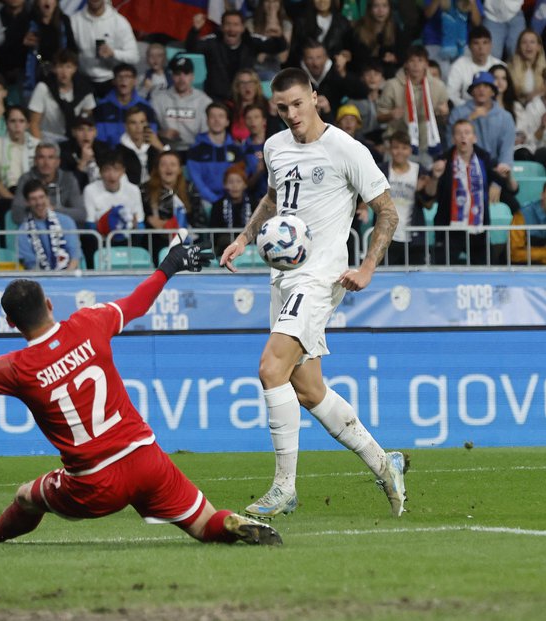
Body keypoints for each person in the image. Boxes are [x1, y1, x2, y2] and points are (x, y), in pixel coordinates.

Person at [0, 242, 285, 547]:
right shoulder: (91, 321)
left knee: (26, 496)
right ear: (50, 305)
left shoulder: (16, 368)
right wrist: (169, 265)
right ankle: (236, 523)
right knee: (203, 524)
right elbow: (138, 303)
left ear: (10, 323)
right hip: (146, 456)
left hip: (94, 481)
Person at [219, 67, 408, 520]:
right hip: (283, 280)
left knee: (270, 368)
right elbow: (272, 199)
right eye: (281, 108)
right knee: (308, 390)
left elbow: (387, 211)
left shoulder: (346, 148)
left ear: (315, 98)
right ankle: (386, 464)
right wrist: (245, 238)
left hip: (321, 278)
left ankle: (284, 488)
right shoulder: (275, 147)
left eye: (298, 104)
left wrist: (366, 266)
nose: (291, 114)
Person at [428, 119, 519, 265]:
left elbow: (513, 189)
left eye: (467, 133)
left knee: (488, 271)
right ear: (453, 139)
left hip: (478, 229)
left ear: (474, 138)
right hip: (449, 229)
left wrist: (508, 176)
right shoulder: (443, 161)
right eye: (459, 133)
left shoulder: (485, 160)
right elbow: (428, 195)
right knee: (441, 273)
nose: (463, 137)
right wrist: (434, 177)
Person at [186, 10, 287, 103]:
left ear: (242, 28)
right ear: (221, 27)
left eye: (236, 25)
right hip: (217, 98)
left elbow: (277, 47)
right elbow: (192, 48)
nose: (231, 29)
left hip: (244, 98)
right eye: (228, 24)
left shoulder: (250, 41)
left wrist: (279, 37)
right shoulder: (212, 41)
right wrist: (195, 30)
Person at [377, 46, 450, 168]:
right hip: (396, 146)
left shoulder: (439, 86)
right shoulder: (392, 85)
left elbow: (445, 121)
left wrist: (444, 114)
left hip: (425, 146)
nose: (416, 65)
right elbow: (379, 117)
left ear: (426, 64)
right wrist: (391, 115)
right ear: (406, 64)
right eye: (412, 61)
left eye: (420, 61)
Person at [376, 131, 429, 266]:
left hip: (413, 236)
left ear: (410, 150)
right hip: (386, 236)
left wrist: (427, 184)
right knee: (385, 279)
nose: (399, 152)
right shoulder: (381, 170)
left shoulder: (419, 170)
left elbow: (429, 202)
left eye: (404, 148)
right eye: (395, 147)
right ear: (389, 149)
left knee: (417, 280)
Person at [141, 150, 203, 263]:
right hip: (157, 242)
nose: (168, 168)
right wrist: (149, 220)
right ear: (158, 169)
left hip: (188, 239)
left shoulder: (190, 189)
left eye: (173, 164)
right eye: (163, 164)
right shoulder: (145, 190)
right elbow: (141, 217)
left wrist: (178, 226)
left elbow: (199, 219)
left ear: (179, 169)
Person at [0, 105, 38, 225]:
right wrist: (14, 200)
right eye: (13, 121)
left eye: (21, 121)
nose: (17, 125)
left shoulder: (37, 145)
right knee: (5, 207)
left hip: (33, 193)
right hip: (6, 195)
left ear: (28, 124)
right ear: (6, 123)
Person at [70, 0, 140, 97]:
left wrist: (113, 53)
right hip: (83, 81)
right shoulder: (74, 21)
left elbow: (134, 57)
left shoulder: (119, 22)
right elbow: (68, 54)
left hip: (112, 82)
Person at [83, 150, 143, 261]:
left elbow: (141, 226)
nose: (112, 175)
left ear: (123, 171)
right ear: (100, 172)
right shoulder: (90, 190)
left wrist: (135, 226)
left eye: (116, 169)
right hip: (102, 241)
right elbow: (90, 226)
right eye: (107, 170)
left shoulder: (133, 190)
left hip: (128, 240)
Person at [10, 142, 86, 227]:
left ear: (58, 162)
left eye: (51, 157)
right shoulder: (26, 179)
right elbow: (17, 214)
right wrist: (40, 218)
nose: (46, 162)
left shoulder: (68, 179)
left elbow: (81, 215)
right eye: (41, 157)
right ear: (35, 161)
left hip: (63, 229)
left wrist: (53, 210)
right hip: (34, 230)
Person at [27, 49, 95, 144]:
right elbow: (34, 123)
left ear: (75, 69)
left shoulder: (84, 90)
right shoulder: (43, 88)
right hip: (47, 139)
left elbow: (87, 123)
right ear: (54, 69)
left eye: (68, 67)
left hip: (74, 140)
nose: (64, 72)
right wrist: (40, 146)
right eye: (60, 67)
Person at [186, 102, 246, 206]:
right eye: (212, 116)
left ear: (227, 122)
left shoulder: (237, 149)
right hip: (205, 200)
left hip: (232, 197)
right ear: (207, 121)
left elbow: (240, 177)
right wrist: (216, 201)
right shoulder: (195, 150)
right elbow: (197, 182)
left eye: (221, 116)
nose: (216, 120)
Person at [16, 178, 82, 271]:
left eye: (41, 197)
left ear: (48, 198)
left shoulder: (66, 221)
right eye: (33, 199)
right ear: (27, 202)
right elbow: (30, 263)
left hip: (68, 278)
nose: (39, 203)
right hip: (39, 280)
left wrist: (66, 278)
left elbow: (75, 255)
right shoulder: (23, 230)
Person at [150, 56, 212, 153]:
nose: (182, 79)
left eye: (186, 74)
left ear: (192, 76)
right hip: (165, 150)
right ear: (172, 76)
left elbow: (207, 134)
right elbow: (148, 130)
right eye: (177, 74)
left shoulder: (204, 101)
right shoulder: (158, 100)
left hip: (196, 150)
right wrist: (161, 133)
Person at [299, 39, 368, 125]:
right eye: (310, 58)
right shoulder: (297, 75)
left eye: (319, 57)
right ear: (303, 60)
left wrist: (343, 74)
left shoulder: (336, 71)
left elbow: (362, 92)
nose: (315, 63)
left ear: (326, 57)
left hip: (337, 122)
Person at [20, 0, 77, 102]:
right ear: (37, 3)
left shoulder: (63, 21)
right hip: (36, 72)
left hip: (59, 73)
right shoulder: (28, 21)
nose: (47, 2)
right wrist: (24, 44)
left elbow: (72, 50)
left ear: (56, 2)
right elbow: (16, 54)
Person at [516, 64, 546, 179]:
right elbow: (530, 140)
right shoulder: (533, 107)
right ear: (544, 83)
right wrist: (542, 128)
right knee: (543, 153)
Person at [93, 63, 158, 148]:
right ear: (114, 81)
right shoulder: (101, 107)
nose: (123, 80)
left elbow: (150, 137)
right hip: (110, 156)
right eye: (120, 77)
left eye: (128, 77)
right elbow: (99, 140)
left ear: (135, 81)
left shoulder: (146, 107)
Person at [508, 178, 546, 265]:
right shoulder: (523, 215)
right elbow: (514, 254)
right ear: (542, 195)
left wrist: (530, 251)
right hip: (520, 269)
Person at [446, 26, 503, 108]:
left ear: (491, 45)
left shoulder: (500, 66)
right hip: (466, 111)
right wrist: (471, 107)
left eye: (485, 43)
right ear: (469, 46)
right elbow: (450, 95)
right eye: (476, 43)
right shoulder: (458, 65)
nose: (481, 48)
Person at [209, 163, 256, 257]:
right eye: (230, 182)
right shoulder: (218, 205)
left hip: (250, 245)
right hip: (225, 246)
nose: (235, 186)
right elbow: (215, 233)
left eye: (239, 181)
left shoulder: (254, 203)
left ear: (245, 184)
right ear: (225, 185)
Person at [114, 105, 162, 187]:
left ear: (147, 124)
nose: (138, 127)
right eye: (133, 123)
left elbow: (173, 167)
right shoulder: (118, 151)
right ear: (126, 126)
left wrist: (160, 147)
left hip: (156, 191)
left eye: (142, 122)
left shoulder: (156, 145)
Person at [59, 113, 109, 190]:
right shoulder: (64, 151)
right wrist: (83, 161)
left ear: (95, 133)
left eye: (90, 130)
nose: (86, 134)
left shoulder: (104, 149)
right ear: (73, 132)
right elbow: (68, 188)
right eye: (81, 129)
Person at [508, 29, 546, 106]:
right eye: (524, 42)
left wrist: (543, 91)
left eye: (532, 42)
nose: (528, 46)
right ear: (519, 47)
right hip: (518, 107)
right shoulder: (509, 69)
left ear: (538, 47)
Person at [227, 68, 264, 144]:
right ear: (237, 87)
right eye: (242, 83)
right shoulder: (229, 108)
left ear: (256, 85)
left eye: (250, 82)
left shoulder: (266, 106)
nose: (247, 87)